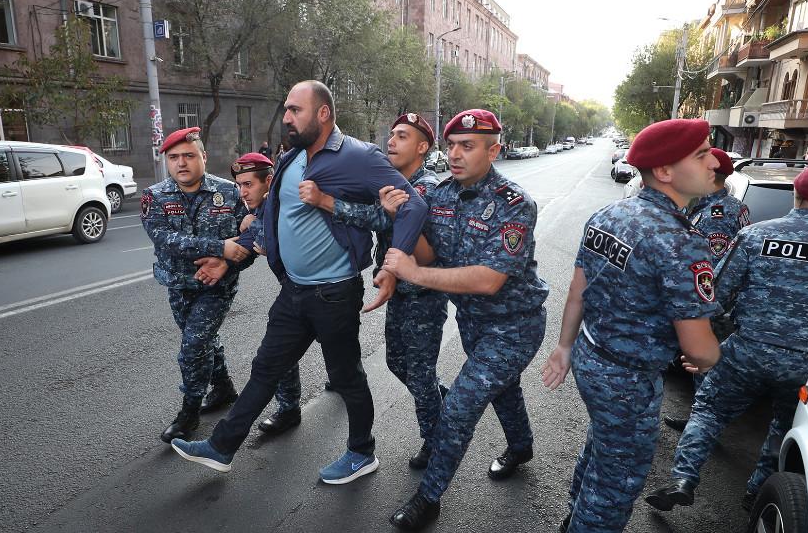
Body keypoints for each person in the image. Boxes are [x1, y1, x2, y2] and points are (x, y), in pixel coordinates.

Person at [170, 80, 427, 485]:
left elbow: (413, 206)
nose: (287, 117)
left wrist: (393, 266)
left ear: (323, 113)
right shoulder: (290, 158)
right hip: (294, 291)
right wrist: (229, 256)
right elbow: (273, 217)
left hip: (334, 293)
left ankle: (362, 452)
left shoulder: (358, 157)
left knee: (346, 377)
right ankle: (221, 447)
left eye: (295, 110)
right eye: (287, 109)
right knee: (265, 369)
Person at [645, 162, 808, 514]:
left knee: (709, 411)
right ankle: (758, 493)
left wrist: (713, 337)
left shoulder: (755, 236)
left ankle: (682, 480)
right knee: (786, 423)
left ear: (798, 195)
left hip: (747, 351)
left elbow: (714, 296)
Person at [541, 119, 723, 533]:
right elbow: (699, 348)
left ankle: (574, 516)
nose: (714, 162)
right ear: (665, 171)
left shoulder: (610, 214)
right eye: (701, 155)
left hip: (591, 356)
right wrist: (710, 358)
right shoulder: (680, 241)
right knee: (616, 483)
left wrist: (565, 347)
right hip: (629, 380)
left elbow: (577, 292)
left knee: (602, 449)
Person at [382, 109, 550, 531]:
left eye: (468, 146)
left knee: (459, 407)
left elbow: (489, 280)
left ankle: (428, 498)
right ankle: (521, 446)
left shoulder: (514, 204)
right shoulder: (440, 195)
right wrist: (398, 220)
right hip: (473, 323)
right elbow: (428, 254)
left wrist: (413, 274)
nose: (455, 154)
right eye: (452, 145)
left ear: (493, 151)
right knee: (504, 391)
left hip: (515, 326)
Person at [307, 112, 448, 470]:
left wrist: (326, 201)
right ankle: (441, 399)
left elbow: (383, 218)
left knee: (419, 373)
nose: (391, 141)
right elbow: (376, 212)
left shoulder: (427, 186)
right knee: (397, 362)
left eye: (402, 136)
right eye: (392, 134)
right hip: (398, 291)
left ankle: (437, 444)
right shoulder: (388, 180)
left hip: (424, 293)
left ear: (422, 147)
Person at [140, 127, 253, 443]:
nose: (181, 163)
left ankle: (189, 412)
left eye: (189, 155)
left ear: (203, 156)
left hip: (218, 287)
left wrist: (228, 261)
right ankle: (224, 387)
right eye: (173, 157)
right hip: (178, 285)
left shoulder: (230, 193)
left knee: (193, 346)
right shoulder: (154, 196)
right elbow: (166, 240)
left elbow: (250, 242)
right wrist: (220, 247)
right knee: (204, 340)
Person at [663, 147, 750, 431]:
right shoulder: (722, 205)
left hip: (706, 302)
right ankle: (702, 419)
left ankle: (701, 425)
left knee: (703, 367)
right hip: (710, 301)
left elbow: (707, 268)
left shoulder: (717, 214)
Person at [228, 153, 303, 437]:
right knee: (280, 351)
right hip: (293, 291)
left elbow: (268, 240)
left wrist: (253, 224)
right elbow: (248, 242)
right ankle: (289, 408)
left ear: (269, 182)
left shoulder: (281, 203)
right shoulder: (262, 207)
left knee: (342, 359)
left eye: (248, 184)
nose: (242, 192)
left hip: (322, 291)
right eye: (239, 185)